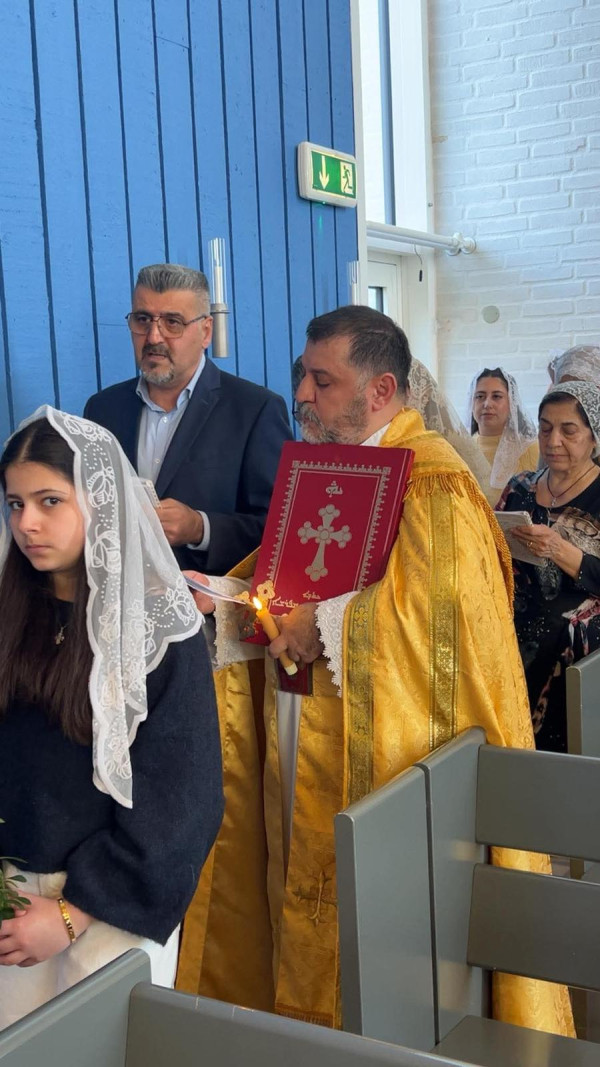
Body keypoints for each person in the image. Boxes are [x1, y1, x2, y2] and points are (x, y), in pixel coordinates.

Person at [177, 306, 573, 1038]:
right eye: (304, 376)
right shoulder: (323, 467)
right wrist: (229, 596)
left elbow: (435, 625)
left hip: (382, 757)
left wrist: (322, 622)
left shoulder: (435, 481)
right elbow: (281, 577)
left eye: (322, 381)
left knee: (368, 942)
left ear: (381, 389)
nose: (302, 394)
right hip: (297, 727)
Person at [0, 407, 223, 1029]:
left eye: (49, 501)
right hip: (12, 902)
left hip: (108, 915)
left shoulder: (158, 632)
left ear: (99, 501)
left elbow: (184, 802)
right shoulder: (12, 616)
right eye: (15, 504)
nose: (27, 523)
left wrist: (70, 914)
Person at [84, 263, 292, 576]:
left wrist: (200, 527)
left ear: (206, 331)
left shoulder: (255, 410)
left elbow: (280, 531)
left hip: (206, 600)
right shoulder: (102, 409)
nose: (154, 336)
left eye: (172, 322)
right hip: (117, 593)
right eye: (143, 319)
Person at [496, 381, 600, 753]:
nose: (553, 441)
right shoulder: (520, 487)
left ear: (593, 437)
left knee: (557, 629)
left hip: (574, 618)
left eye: (568, 430)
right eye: (545, 429)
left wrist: (560, 550)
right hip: (514, 604)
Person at [467, 367, 538, 507]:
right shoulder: (462, 448)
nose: (487, 404)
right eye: (480, 396)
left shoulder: (530, 448)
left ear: (512, 403)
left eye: (496, 396)